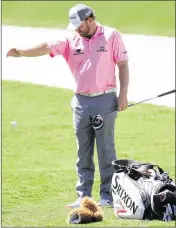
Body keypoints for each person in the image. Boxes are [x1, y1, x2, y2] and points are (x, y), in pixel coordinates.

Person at [6, 4, 129, 208]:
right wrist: (21, 52)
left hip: (105, 98)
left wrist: (123, 94)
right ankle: (83, 195)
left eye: (80, 26)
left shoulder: (111, 35)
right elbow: (46, 46)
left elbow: (123, 65)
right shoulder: (71, 37)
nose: (77, 30)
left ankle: (107, 196)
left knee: (106, 150)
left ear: (90, 19)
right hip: (81, 101)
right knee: (83, 151)